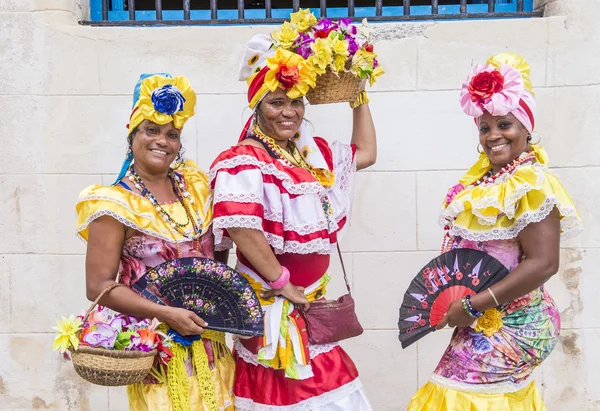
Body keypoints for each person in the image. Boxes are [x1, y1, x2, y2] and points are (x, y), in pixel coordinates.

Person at [209, 33, 376, 410]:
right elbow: (242, 229)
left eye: (296, 102)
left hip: (309, 306)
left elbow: (366, 152)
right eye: (276, 102)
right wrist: (283, 284)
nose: (289, 112)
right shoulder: (244, 160)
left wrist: (359, 95)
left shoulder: (308, 156)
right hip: (274, 309)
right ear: (256, 107)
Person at [406, 53, 583, 410]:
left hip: (519, 322)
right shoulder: (487, 181)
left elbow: (543, 263)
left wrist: (470, 304)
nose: (493, 136)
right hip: (484, 316)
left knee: (454, 397)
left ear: (525, 127)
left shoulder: (530, 182)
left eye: (505, 124)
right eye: (485, 128)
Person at [76, 73, 234, 411]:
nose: (162, 141)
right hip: (159, 358)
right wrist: (166, 313)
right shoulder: (113, 205)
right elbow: (98, 286)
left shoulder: (197, 187)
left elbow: (218, 253)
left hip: (213, 348)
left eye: (172, 134)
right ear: (132, 134)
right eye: (151, 130)